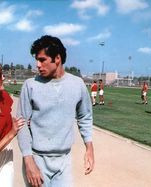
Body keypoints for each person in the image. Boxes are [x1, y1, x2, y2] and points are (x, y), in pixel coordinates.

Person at [17, 35, 94, 187]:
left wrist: (89, 148)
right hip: (37, 159)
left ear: (57, 58)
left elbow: (85, 116)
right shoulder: (30, 85)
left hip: (64, 160)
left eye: (42, 59)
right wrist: (28, 160)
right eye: (37, 60)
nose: (37, 65)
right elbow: (21, 123)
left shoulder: (77, 84)